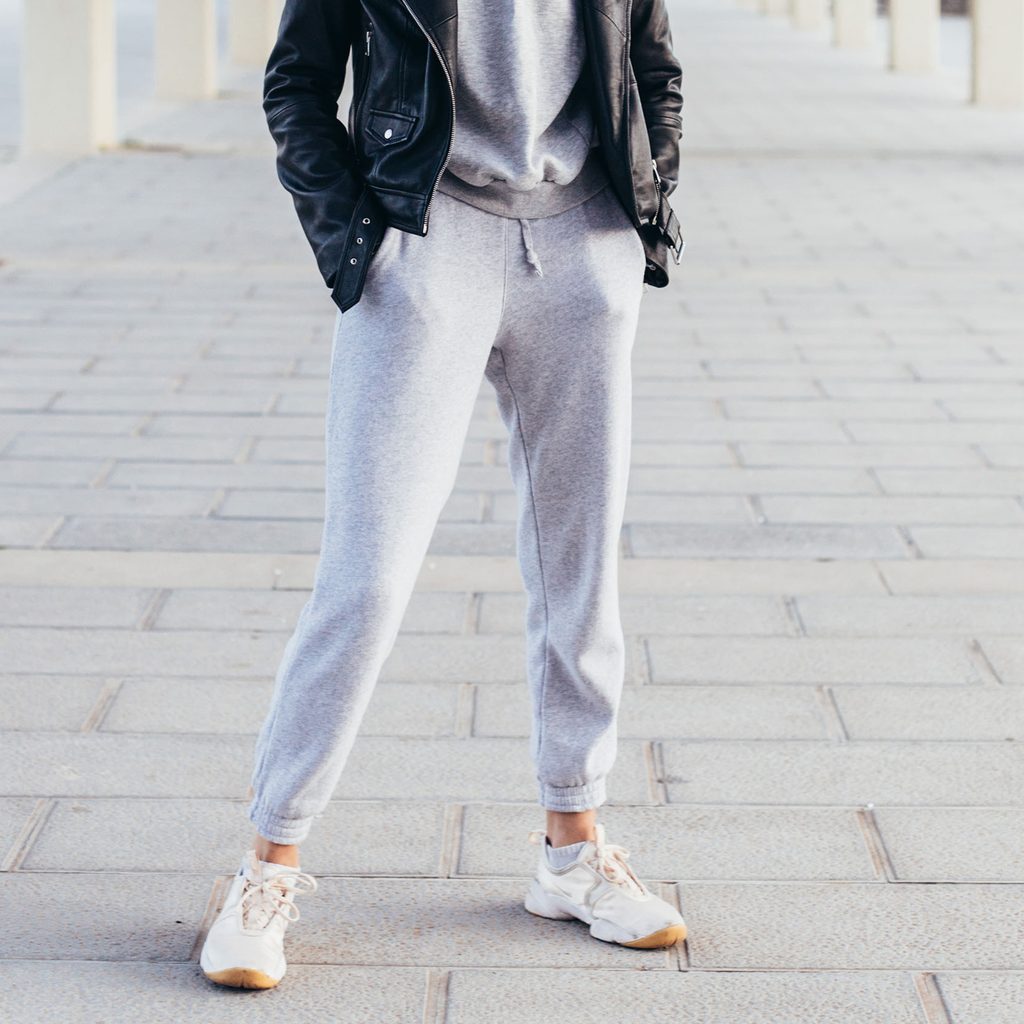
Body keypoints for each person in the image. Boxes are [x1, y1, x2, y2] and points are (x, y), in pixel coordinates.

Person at [200, 0, 685, 990]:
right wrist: (358, 241)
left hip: (582, 242)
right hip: (424, 239)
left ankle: (572, 847)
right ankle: (267, 861)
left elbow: (651, 63)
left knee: (578, 567)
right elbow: (297, 82)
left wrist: (640, 217)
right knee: (367, 580)